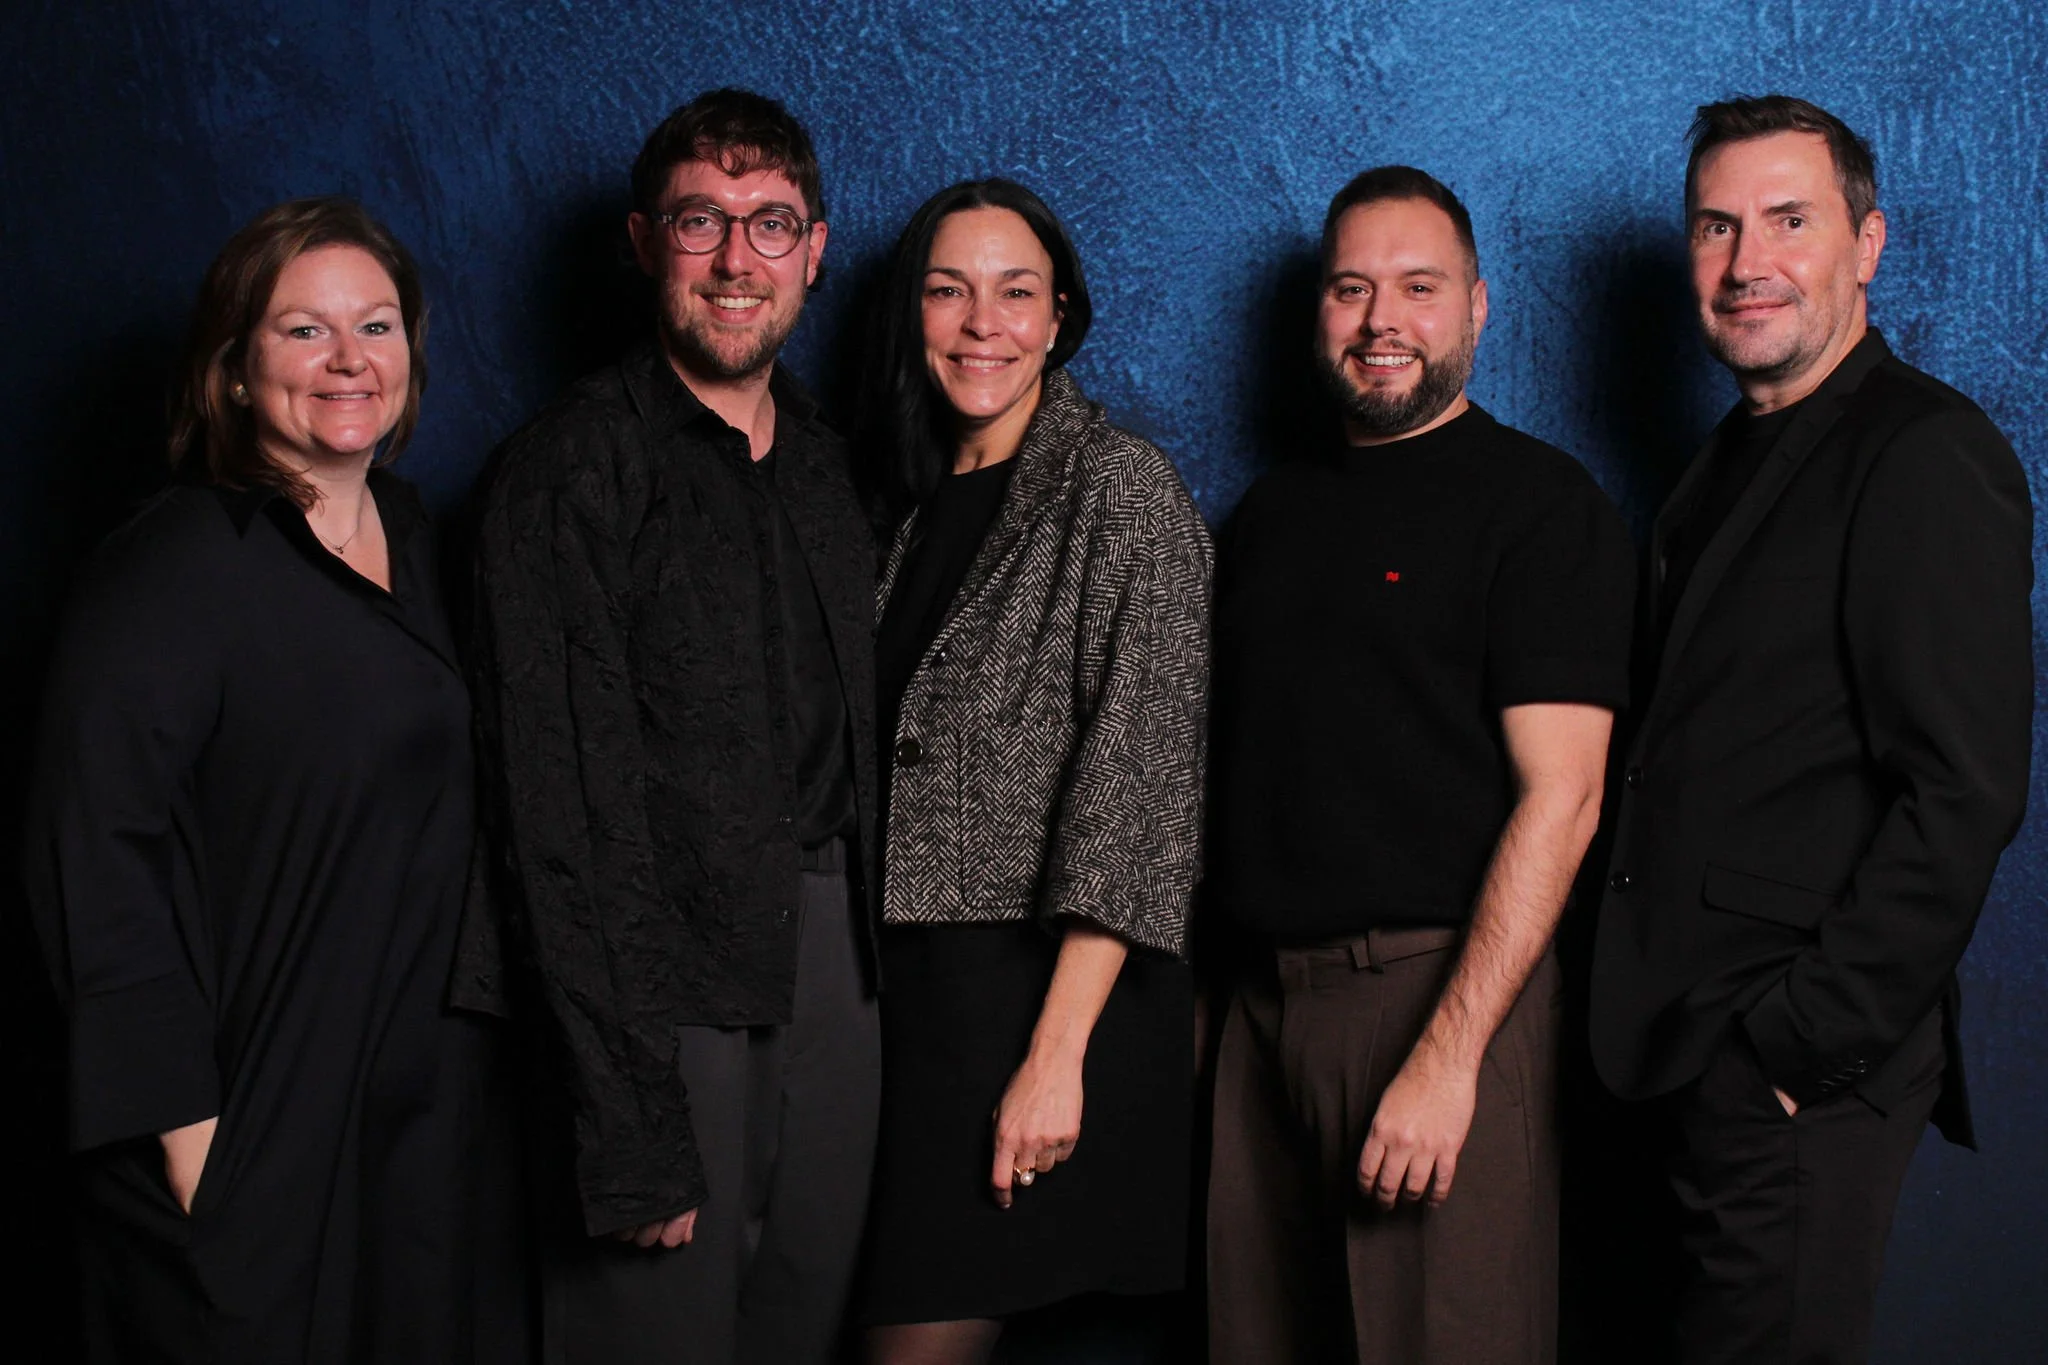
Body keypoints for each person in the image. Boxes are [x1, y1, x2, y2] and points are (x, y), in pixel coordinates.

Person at [23, 197, 522, 1363]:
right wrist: (188, 1137)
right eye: (304, 331)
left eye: (378, 326)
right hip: (247, 1110)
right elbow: (88, 856)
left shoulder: (420, 538)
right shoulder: (176, 565)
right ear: (237, 372)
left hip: (415, 1121)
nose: (349, 359)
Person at [1588, 95, 2032, 1365]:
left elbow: (1961, 791)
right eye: (1715, 227)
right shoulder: (1724, 461)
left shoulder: (1923, 453)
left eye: (1788, 221)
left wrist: (1791, 1051)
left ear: (1866, 243)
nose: (1746, 263)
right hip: (1670, 1055)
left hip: (1792, 1075)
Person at [464, 89, 879, 1365]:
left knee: (799, 1328)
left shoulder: (829, 463)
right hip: (658, 984)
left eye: (769, 225)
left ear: (815, 250)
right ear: (646, 241)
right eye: (704, 222)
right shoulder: (566, 472)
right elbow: (555, 818)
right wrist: (628, 1112)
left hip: (833, 971)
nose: (736, 260)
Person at [1204, 167, 1635, 1365]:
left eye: (1416, 288)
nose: (1380, 320)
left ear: (1478, 308)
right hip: (1256, 1019)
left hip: (1436, 1000)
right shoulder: (1269, 515)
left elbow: (1566, 797)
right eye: (1350, 289)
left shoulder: (1539, 508)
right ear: (1315, 314)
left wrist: (1447, 1062)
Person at [850, 178, 1211, 1365]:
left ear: (1059, 318)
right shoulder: (899, 515)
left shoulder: (1119, 489)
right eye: (948, 293)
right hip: (919, 1012)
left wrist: (1052, 1061)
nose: (980, 324)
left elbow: (1139, 791)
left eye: (1015, 294)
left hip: (1046, 1007)